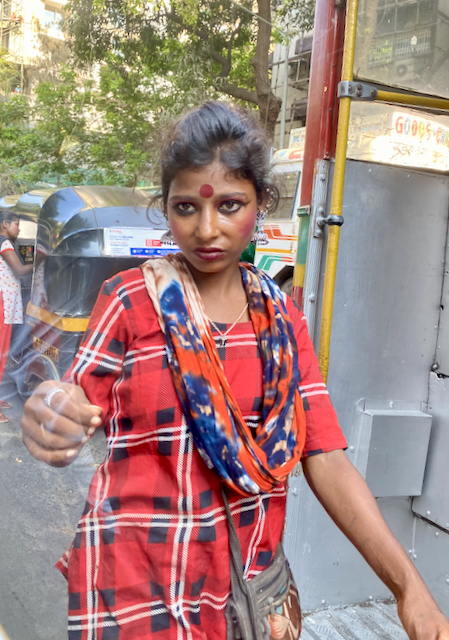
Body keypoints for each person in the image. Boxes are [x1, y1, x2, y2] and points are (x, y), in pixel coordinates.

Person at [20, 102, 449, 640]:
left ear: (261, 203)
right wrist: (50, 412)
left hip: (243, 600)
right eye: (186, 207)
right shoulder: (129, 303)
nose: (207, 229)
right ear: (165, 207)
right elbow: (72, 405)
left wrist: (409, 589)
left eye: (229, 205)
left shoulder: (283, 322)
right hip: (134, 591)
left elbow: (326, 456)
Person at [0, 209, 33, 423]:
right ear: (5, 224)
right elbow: (20, 270)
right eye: (16, 224)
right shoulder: (4, 243)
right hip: (3, 302)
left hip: (7, 302)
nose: (18, 229)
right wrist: (43, 261)